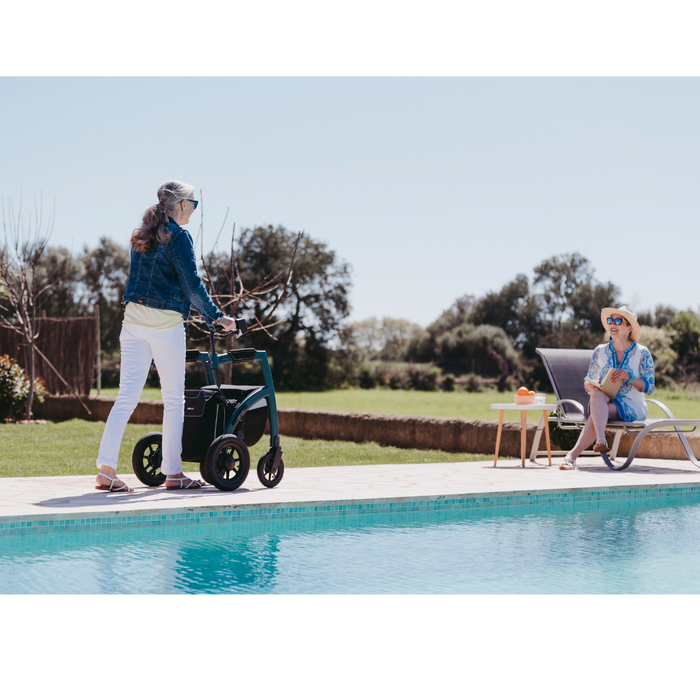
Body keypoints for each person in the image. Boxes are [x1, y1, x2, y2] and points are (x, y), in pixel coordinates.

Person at [95, 181, 238, 491]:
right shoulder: (180, 237)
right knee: (173, 401)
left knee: (125, 398)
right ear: (183, 205)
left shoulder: (142, 234)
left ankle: (106, 470)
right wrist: (218, 316)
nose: (195, 210)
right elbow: (191, 285)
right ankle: (173, 473)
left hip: (132, 324)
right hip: (165, 327)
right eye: (195, 204)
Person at [559, 305, 655, 470]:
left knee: (596, 412)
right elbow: (590, 381)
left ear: (629, 327)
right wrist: (589, 385)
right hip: (603, 400)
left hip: (632, 405)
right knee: (596, 394)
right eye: (610, 320)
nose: (613, 324)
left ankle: (572, 457)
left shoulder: (642, 353)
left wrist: (629, 377)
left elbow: (649, 387)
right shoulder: (599, 351)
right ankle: (600, 440)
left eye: (619, 321)